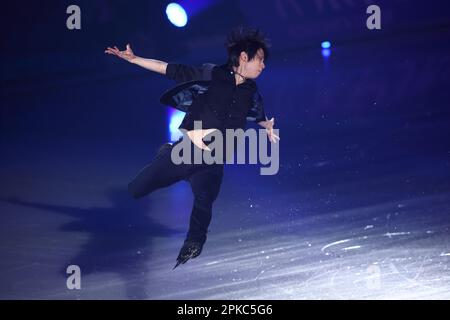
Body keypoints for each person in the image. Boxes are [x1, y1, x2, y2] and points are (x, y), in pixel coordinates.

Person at [105, 27, 279, 269]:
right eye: (260, 59)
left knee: (205, 200)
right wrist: (135, 59)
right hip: (184, 153)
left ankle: (194, 243)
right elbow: (168, 68)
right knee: (136, 189)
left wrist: (266, 124)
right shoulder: (210, 74)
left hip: (213, 161)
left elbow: (257, 112)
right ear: (243, 57)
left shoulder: (251, 91)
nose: (263, 65)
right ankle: (165, 152)